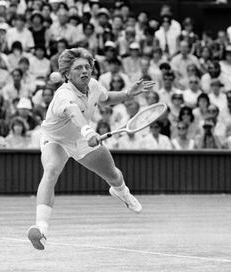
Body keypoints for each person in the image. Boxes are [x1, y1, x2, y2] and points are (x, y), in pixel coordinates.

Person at [27, 48, 155, 250]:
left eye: (87, 67)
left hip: (82, 139)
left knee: (114, 175)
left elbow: (106, 97)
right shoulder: (63, 95)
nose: (85, 71)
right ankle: (41, 230)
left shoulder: (93, 85)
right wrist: (88, 132)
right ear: (67, 74)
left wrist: (128, 93)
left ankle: (122, 192)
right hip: (55, 139)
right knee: (51, 170)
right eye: (78, 68)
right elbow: (74, 113)